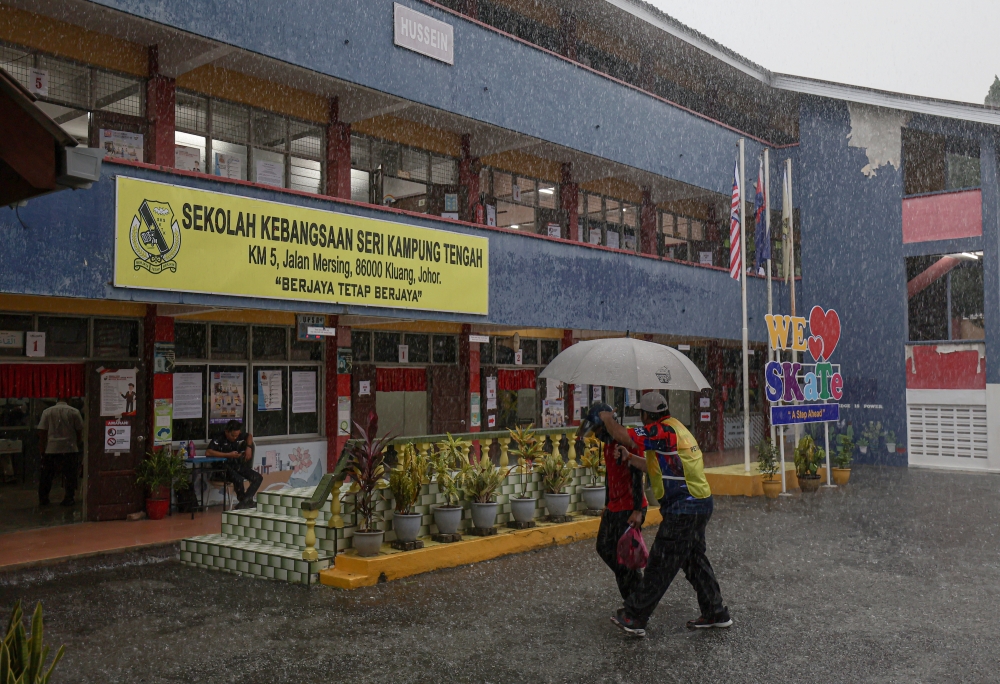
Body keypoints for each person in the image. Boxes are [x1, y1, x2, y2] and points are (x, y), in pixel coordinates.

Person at [596, 392, 731, 638]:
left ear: (648, 415)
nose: (641, 418)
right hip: (698, 503)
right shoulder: (676, 428)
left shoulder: (661, 431)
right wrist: (630, 458)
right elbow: (656, 467)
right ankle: (715, 611)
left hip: (685, 508)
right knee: (693, 561)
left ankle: (635, 616)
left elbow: (623, 435)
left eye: (642, 414)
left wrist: (606, 418)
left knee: (660, 563)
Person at [580, 402, 647, 601]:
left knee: (625, 556)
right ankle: (634, 593)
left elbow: (636, 477)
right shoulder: (609, 446)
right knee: (604, 547)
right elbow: (610, 476)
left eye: (600, 428)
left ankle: (635, 600)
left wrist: (637, 510)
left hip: (628, 506)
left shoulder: (626, 442)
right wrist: (607, 503)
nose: (598, 433)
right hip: (614, 506)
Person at [37, 397, 84, 507]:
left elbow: (42, 433)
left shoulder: (47, 412)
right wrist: (77, 443)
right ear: (69, 400)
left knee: (47, 476)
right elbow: (79, 431)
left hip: (52, 448)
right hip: (69, 448)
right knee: (70, 475)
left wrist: (42, 449)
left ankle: (43, 498)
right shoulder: (74, 412)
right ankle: (69, 498)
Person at [206, 420, 262, 509]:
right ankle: (244, 501)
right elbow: (208, 452)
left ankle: (245, 501)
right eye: (233, 435)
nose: (235, 438)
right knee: (238, 479)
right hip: (222, 467)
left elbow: (249, 436)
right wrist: (228, 455)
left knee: (258, 477)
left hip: (235, 465)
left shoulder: (237, 435)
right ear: (226, 432)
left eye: (237, 435)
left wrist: (249, 447)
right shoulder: (219, 437)